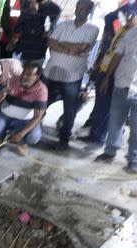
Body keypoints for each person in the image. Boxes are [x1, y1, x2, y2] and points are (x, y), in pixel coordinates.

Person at [94, 4, 137, 174]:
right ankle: (109, 152)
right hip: (121, 85)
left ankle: (133, 160)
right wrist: (107, 78)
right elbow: (117, 55)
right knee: (115, 122)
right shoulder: (132, 33)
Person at [81, 3, 137, 147]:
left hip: (117, 75)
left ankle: (101, 139)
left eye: (133, 15)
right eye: (128, 14)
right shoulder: (122, 28)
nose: (129, 17)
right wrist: (100, 64)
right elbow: (111, 48)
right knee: (101, 107)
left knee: (109, 110)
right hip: (105, 69)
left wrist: (108, 76)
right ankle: (96, 136)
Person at [42, 0, 98, 150]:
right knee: (41, 104)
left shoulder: (93, 29)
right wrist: (69, 50)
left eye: (84, 9)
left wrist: (61, 45)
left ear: (89, 11)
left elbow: (81, 48)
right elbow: (50, 43)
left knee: (69, 109)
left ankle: (64, 138)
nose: (80, 11)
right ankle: (33, 130)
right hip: (51, 73)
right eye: (78, 7)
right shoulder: (62, 25)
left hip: (72, 77)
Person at [0, 62, 48, 155]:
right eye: (23, 72)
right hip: (5, 115)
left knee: (33, 138)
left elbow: (38, 116)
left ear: (36, 77)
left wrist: (21, 134)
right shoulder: (12, 80)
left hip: (25, 119)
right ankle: (0, 136)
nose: (23, 76)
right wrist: (2, 93)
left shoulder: (41, 90)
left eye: (29, 74)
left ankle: (22, 142)